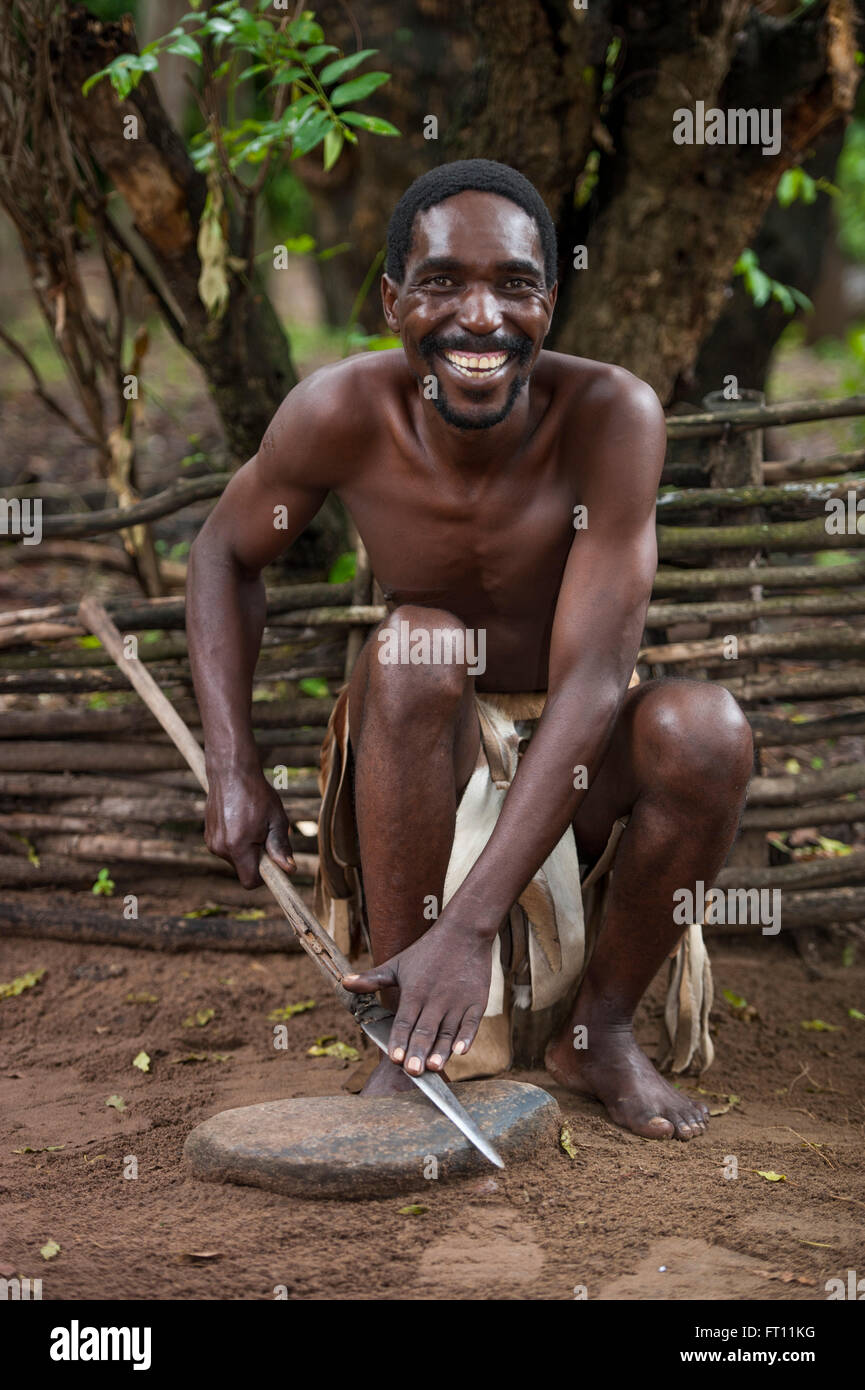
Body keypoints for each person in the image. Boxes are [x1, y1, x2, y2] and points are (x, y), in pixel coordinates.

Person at [186, 159, 753, 1141]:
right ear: (394, 299)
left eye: (513, 285)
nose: (480, 317)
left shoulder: (612, 418)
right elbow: (225, 552)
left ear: (549, 301)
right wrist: (232, 767)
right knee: (418, 646)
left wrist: (472, 925)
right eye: (443, 282)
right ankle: (405, 1044)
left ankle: (601, 1033)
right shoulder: (340, 413)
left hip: (577, 751)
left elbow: (592, 680)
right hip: (424, 750)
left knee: (707, 730)